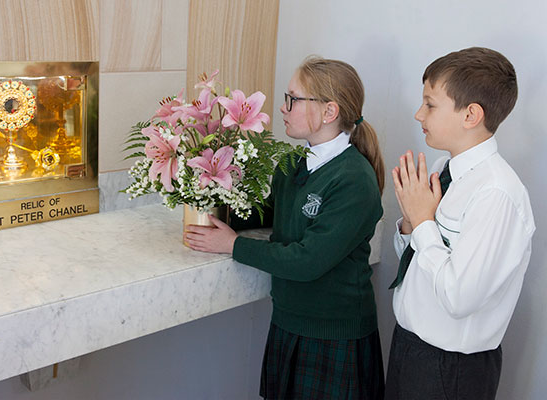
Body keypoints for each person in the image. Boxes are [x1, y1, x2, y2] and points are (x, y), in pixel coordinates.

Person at [184, 56, 385, 399]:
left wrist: (233, 245)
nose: (282, 107)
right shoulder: (294, 162)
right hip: (289, 322)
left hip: (333, 336)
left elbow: (307, 261)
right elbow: (272, 212)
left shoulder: (353, 179)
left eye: (293, 99)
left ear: (329, 112)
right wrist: (215, 207)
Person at [386, 47, 535, 400]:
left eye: (430, 104)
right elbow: (416, 265)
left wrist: (424, 223)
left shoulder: (497, 193)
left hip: (450, 370)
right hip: (408, 349)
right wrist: (410, 224)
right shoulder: (441, 170)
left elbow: (459, 297)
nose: (418, 113)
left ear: (471, 115)